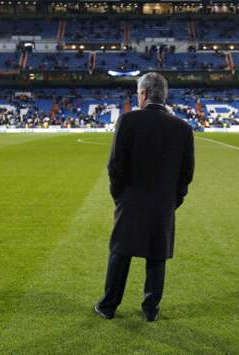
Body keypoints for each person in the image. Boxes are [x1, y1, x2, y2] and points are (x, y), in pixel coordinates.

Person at [94, 72, 195, 322]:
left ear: (143, 94)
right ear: (164, 95)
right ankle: (151, 310)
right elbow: (186, 174)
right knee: (157, 253)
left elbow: (115, 165)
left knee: (120, 250)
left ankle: (109, 306)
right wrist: (173, 200)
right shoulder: (183, 128)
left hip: (131, 198)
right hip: (163, 202)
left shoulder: (128, 121)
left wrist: (119, 195)